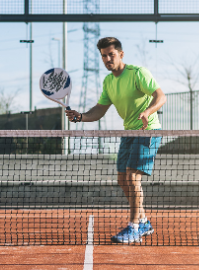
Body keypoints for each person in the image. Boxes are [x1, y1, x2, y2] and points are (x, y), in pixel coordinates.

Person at [65, 37, 166, 244]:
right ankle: (144, 221)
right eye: (104, 55)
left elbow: (160, 96)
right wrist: (81, 116)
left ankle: (134, 227)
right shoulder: (109, 82)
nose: (107, 59)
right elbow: (100, 109)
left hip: (148, 131)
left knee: (132, 177)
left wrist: (148, 111)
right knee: (122, 179)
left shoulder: (138, 73)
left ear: (121, 54)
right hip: (129, 132)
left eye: (111, 54)